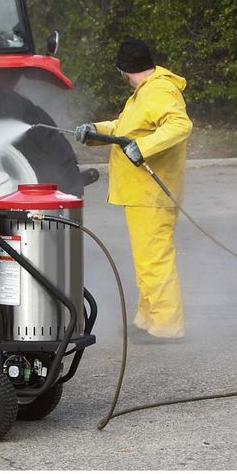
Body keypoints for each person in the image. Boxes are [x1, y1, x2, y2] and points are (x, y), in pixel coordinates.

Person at [76, 38, 192, 342]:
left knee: (155, 260)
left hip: (152, 193)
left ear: (123, 69)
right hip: (142, 194)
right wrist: (94, 131)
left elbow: (180, 125)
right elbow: (123, 129)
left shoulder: (159, 90)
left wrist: (144, 147)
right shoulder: (146, 91)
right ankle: (148, 320)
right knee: (146, 260)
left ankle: (166, 326)